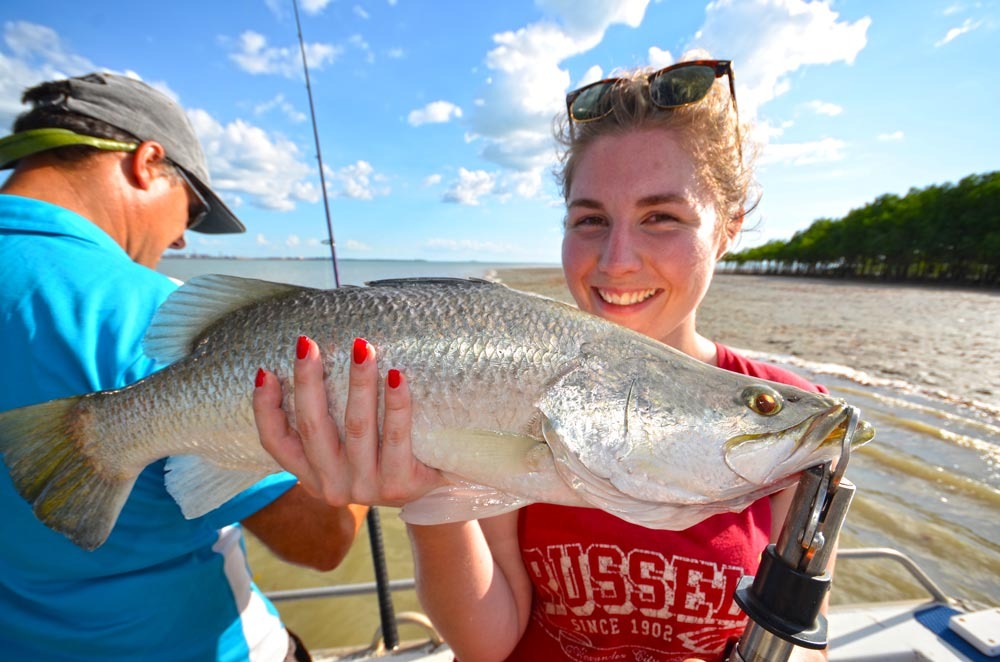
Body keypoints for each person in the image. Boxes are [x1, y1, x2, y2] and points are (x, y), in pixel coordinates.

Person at [253, 55, 831, 661]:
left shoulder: (785, 420)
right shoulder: (508, 378)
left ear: (727, 227)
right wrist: (427, 500)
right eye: (590, 219)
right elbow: (488, 641)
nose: (616, 259)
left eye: (661, 216)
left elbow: (805, 644)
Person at [0, 72, 367, 661]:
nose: (180, 244)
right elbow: (321, 541)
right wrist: (358, 441)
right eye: (192, 212)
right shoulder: (148, 314)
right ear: (146, 162)